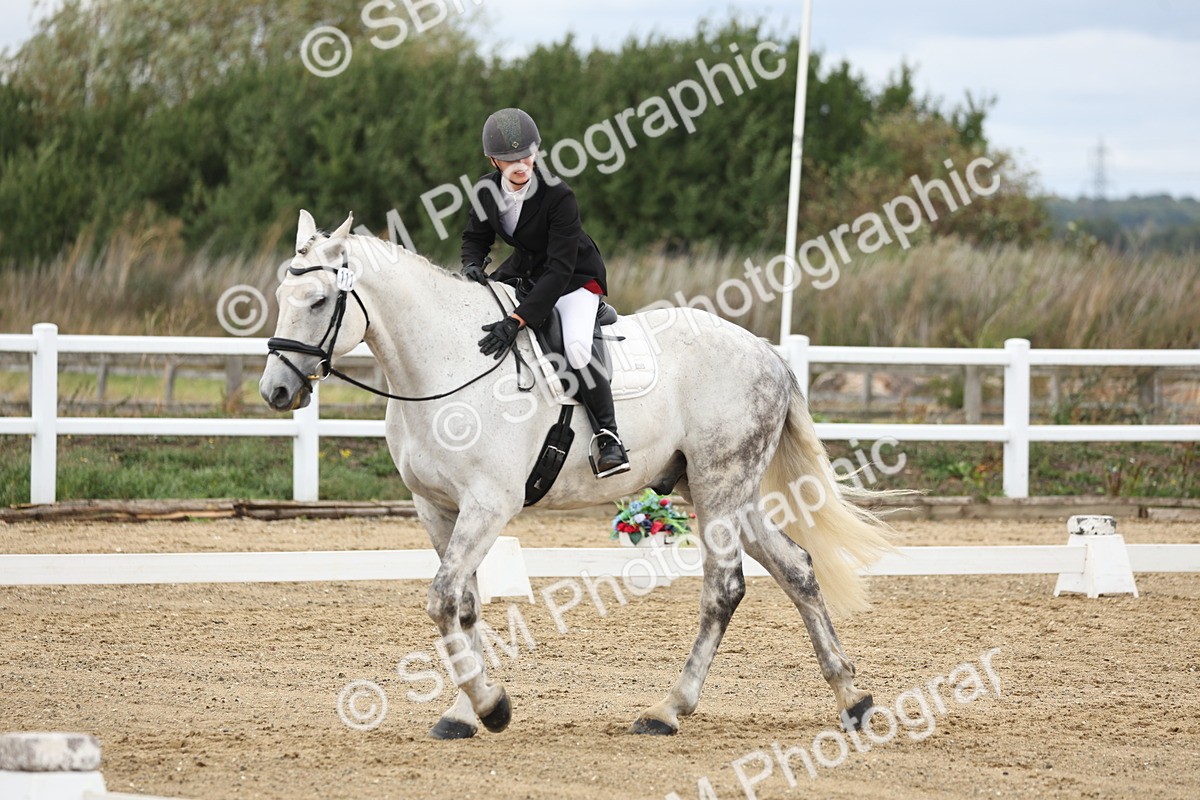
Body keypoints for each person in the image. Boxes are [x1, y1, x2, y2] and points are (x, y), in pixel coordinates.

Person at [460, 107, 630, 478]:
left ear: (536, 152)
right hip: (527, 269)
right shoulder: (486, 190)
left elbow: (560, 269)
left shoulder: (558, 195)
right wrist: (472, 265)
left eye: (526, 156)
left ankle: (608, 437)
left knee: (577, 349)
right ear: (493, 160)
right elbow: (475, 237)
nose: (520, 165)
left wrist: (518, 318)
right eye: (509, 160)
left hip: (573, 278)